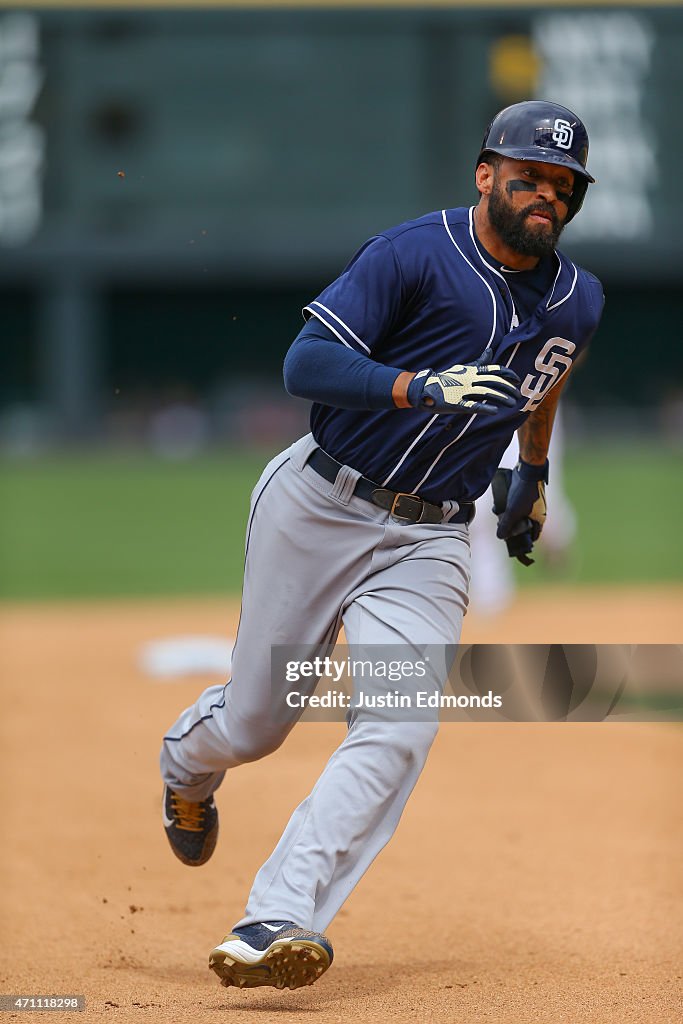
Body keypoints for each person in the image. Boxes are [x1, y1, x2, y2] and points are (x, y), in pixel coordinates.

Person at [160, 100, 604, 992]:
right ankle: (184, 765)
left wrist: (533, 475)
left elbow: (544, 378)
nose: (544, 195)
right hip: (320, 504)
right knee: (256, 722)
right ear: (485, 175)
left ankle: (277, 915)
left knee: (398, 724)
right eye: (528, 177)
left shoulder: (577, 299)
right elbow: (305, 366)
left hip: (432, 539)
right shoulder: (411, 252)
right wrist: (417, 385)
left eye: (562, 186)